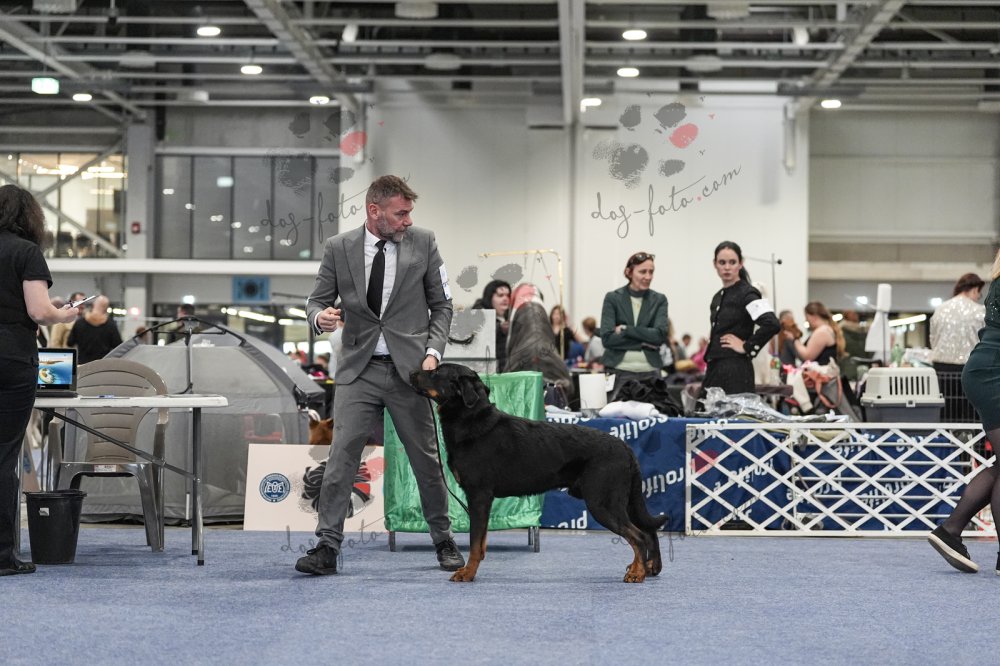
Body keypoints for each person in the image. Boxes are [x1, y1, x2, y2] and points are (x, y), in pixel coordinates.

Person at [296, 175, 462, 576]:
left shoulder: (424, 241)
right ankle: (327, 546)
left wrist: (433, 353)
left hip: (412, 373)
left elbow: (442, 305)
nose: (408, 220)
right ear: (375, 211)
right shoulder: (338, 247)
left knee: (426, 460)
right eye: (400, 213)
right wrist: (320, 317)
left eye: (409, 213)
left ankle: (443, 539)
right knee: (341, 459)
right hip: (359, 369)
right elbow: (316, 300)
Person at [0, 184, 78, 576]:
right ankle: (2, 555)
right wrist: (65, 313)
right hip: (11, 358)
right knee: (4, 456)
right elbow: (39, 311)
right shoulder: (26, 252)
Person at [928, 253, 1000, 574]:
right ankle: (951, 528)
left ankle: (952, 530)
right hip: (993, 372)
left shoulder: (995, 281)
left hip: (980, 369)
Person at [702, 241, 780, 395]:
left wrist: (747, 347)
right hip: (715, 369)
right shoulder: (717, 297)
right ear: (715, 264)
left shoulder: (748, 293)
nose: (727, 267)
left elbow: (772, 323)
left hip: (736, 372)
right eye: (722, 262)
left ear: (741, 263)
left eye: (732, 262)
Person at [599, 252, 668, 397]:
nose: (648, 277)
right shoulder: (612, 298)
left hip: (651, 372)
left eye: (651, 272)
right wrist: (643, 343)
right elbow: (607, 339)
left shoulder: (659, 300)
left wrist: (626, 329)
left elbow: (659, 336)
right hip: (618, 372)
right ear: (629, 272)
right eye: (643, 272)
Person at [930, 273, 985, 373]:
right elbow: (984, 340)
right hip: (969, 366)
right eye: (979, 295)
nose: (978, 298)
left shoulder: (940, 309)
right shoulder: (980, 311)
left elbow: (933, 337)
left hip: (941, 366)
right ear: (975, 289)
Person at [67, 295, 122, 364]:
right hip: (102, 365)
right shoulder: (111, 324)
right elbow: (118, 345)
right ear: (106, 308)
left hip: (83, 365)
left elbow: (70, 343)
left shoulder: (80, 322)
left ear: (93, 305)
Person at [472, 279, 511, 371]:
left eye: (508, 295)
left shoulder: (510, 317)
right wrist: (500, 329)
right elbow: (480, 334)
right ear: (489, 298)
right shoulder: (477, 315)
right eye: (500, 295)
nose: (505, 299)